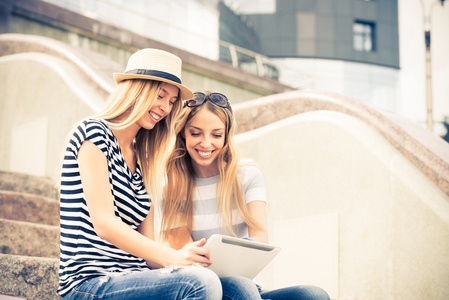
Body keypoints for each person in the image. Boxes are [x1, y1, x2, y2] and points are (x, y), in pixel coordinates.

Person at [58, 49, 222, 299]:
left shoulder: (145, 160)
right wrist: (173, 257)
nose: (166, 107)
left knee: (230, 286)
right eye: (160, 95)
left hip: (133, 279)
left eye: (171, 101)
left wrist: (188, 258)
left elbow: (150, 256)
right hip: (88, 283)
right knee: (201, 285)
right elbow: (105, 225)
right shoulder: (93, 134)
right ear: (137, 89)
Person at [160, 91, 331, 300]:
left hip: (248, 289)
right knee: (239, 286)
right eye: (196, 133)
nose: (206, 143)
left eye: (216, 135)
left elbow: (259, 238)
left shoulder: (248, 174)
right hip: (204, 290)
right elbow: (187, 257)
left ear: (226, 135)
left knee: (313, 295)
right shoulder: (171, 186)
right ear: (183, 133)